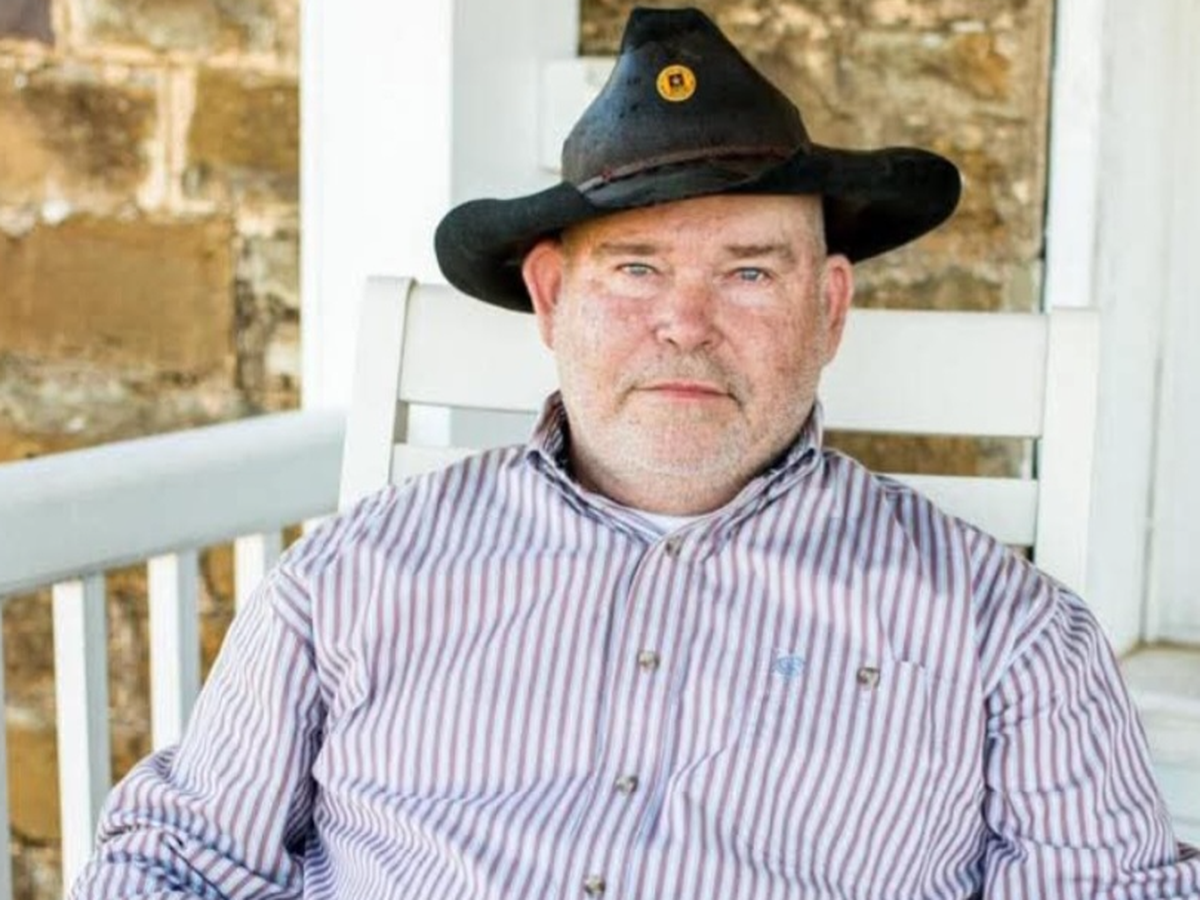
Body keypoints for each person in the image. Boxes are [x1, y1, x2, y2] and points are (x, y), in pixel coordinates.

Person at [72, 7, 1199, 899]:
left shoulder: (1006, 636)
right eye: (637, 269)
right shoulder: (352, 579)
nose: (686, 326)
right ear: (551, 297)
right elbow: (179, 861)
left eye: (748, 272)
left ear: (829, 307)